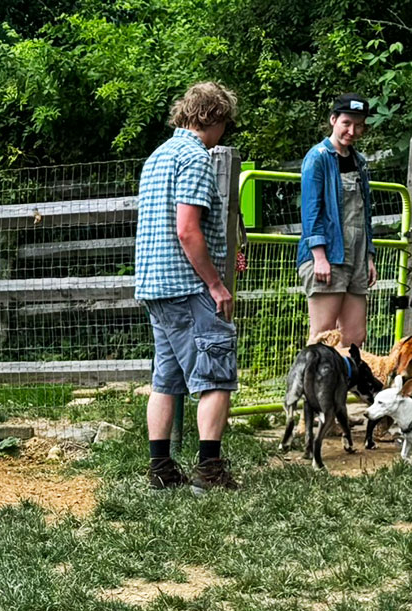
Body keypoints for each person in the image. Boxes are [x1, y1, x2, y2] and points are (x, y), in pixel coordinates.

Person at [134, 81, 243, 493]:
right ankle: (209, 471)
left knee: (166, 378)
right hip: (187, 285)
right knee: (215, 373)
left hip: (154, 284)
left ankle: (161, 468)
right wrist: (216, 284)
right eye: (224, 125)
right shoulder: (196, 158)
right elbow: (186, 230)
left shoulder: (158, 156)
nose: (223, 135)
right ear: (212, 118)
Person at [298, 95, 377, 350]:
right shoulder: (318, 157)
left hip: (356, 257)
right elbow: (311, 211)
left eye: (358, 125)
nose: (352, 131)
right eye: (346, 123)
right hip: (328, 256)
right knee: (323, 336)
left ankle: (341, 390)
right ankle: (309, 390)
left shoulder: (360, 162)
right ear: (333, 120)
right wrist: (319, 256)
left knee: (355, 336)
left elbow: (364, 214)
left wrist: (369, 257)